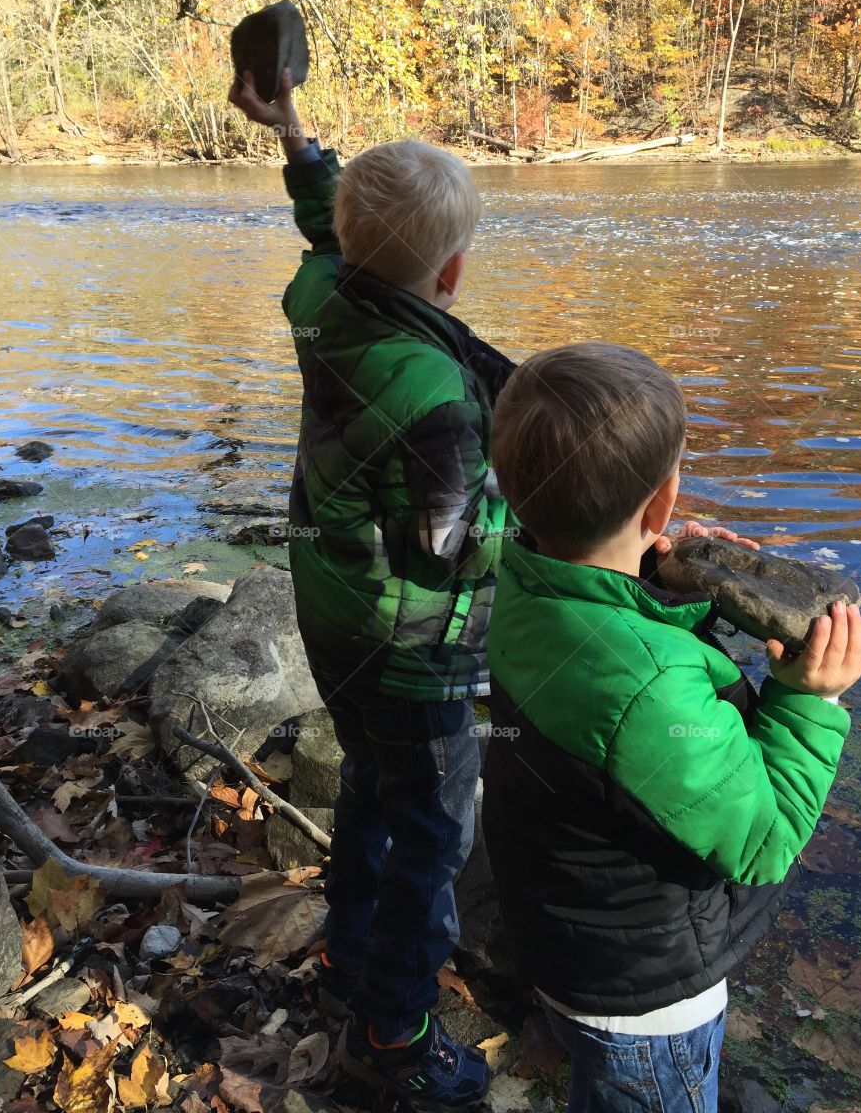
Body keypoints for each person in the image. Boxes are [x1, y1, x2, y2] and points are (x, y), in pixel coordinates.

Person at [482, 341, 861, 1113]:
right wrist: (807, 702)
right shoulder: (652, 686)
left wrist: (657, 584)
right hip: (647, 999)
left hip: (568, 943)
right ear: (661, 505)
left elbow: (609, 663)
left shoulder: (526, 581)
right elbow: (762, 842)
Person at [229, 68, 514, 1109]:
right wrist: (545, 523)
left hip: (332, 611)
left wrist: (295, 131)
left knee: (366, 780)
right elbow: (450, 540)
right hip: (410, 641)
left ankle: (349, 950)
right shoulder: (439, 392)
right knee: (434, 829)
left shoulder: (324, 298)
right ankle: (391, 1030)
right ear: (453, 271)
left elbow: (324, 224)